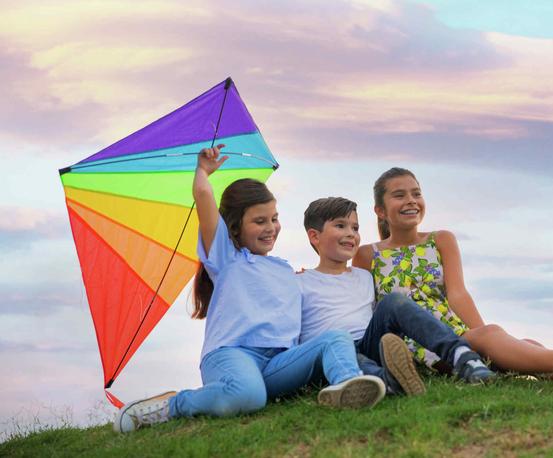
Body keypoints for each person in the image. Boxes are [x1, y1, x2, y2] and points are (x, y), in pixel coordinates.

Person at [113, 145, 384, 434]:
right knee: (249, 396)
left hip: (277, 361)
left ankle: (347, 385)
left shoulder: (285, 270)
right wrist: (203, 172)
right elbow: (204, 198)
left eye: (274, 218)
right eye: (259, 221)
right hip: (233, 354)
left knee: (335, 338)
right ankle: (171, 405)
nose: (271, 228)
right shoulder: (227, 258)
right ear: (235, 227)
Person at [353, 167, 553, 390]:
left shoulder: (441, 239)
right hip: (415, 343)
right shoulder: (368, 255)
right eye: (399, 195)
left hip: (454, 332)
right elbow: (363, 306)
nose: (411, 200)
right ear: (380, 210)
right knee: (499, 342)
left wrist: (484, 335)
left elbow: (458, 294)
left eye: (416, 193)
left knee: (521, 344)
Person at [297, 197, 497, 396]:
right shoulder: (299, 281)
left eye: (355, 228)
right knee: (351, 355)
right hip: (332, 353)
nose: (351, 234)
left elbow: (390, 311)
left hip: (369, 343)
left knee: (394, 300)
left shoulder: (365, 276)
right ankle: (387, 380)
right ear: (315, 236)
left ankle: (463, 356)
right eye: (340, 226)